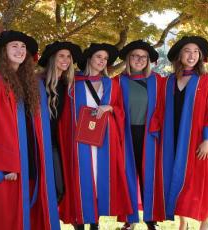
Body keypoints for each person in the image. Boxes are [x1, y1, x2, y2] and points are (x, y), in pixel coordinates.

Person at [0, 30, 60, 230]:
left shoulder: (27, 83)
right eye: (14, 46)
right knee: (7, 216)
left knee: (28, 214)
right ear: (3, 51)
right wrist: (6, 166)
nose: (20, 50)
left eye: (23, 46)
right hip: (10, 165)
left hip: (29, 159)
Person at [150, 36, 208, 230]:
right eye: (187, 51)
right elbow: (159, 110)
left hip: (198, 142)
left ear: (201, 56)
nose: (191, 55)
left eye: (195, 52)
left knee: (201, 182)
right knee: (176, 178)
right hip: (173, 141)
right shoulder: (168, 82)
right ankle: (183, 223)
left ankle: (205, 223)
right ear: (179, 56)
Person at [58, 43, 133, 230]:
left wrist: (110, 108)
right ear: (89, 58)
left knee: (99, 180)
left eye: (105, 59)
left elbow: (121, 111)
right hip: (79, 141)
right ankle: (80, 222)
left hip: (105, 142)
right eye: (99, 57)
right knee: (81, 178)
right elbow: (64, 115)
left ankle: (95, 223)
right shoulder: (73, 84)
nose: (102, 61)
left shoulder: (111, 84)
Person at [117, 40, 165, 230]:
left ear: (148, 61)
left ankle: (151, 220)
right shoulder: (118, 81)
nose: (139, 59)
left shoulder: (157, 81)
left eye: (143, 57)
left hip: (150, 134)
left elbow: (164, 107)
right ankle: (130, 220)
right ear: (128, 59)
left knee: (149, 177)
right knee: (128, 175)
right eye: (135, 56)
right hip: (126, 135)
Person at [38, 41, 82, 203]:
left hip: (58, 142)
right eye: (61, 56)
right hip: (39, 141)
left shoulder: (68, 84)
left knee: (60, 188)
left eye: (69, 57)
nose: (66, 60)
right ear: (52, 59)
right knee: (48, 188)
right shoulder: (38, 82)